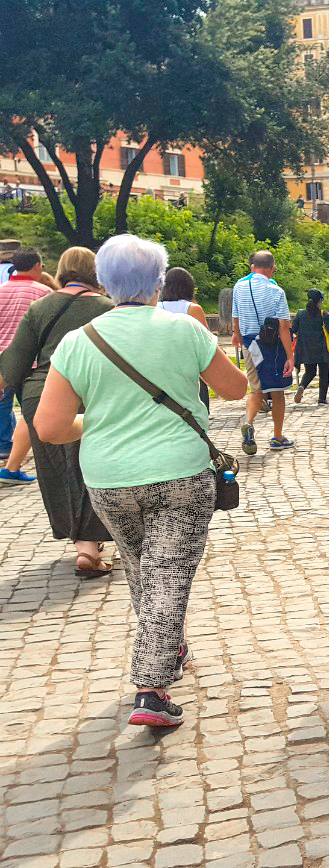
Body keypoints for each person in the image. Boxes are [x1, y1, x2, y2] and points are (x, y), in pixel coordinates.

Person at [36, 234, 247, 727]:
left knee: (142, 570)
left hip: (109, 478)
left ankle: (169, 648)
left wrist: (100, 422)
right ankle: (151, 690)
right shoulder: (185, 331)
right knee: (168, 574)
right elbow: (235, 389)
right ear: (158, 282)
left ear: (104, 283)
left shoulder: (78, 342)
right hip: (179, 472)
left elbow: (49, 427)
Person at [0, 247, 117, 575]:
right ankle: (92, 545)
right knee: (96, 466)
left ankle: (83, 546)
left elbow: (14, 361)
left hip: (44, 394)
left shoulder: (41, 306)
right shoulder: (107, 308)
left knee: (59, 471)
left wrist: (22, 393)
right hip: (93, 392)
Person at [230, 252, 295, 453]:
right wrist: (290, 356)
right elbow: (283, 327)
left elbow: (236, 319)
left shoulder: (239, 287)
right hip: (272, 347)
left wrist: (239, 339)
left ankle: (249, 422)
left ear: (252, 267)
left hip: (250, 345)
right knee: (277, 392)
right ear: (272, 267)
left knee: (256, 389)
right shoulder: (276, 291)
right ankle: (277, 436)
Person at [0, 248, 53, 484]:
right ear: (38, 266)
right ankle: (45, 456)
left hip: (1, 358)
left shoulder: (0, 292)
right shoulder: (44, 293)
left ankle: (4, 447)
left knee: (3, 405)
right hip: (31, 361)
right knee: (34, 409)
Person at [158, 267, 217, 408]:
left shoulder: (155, 306)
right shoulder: (192, 308)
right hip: (188, 365)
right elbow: (206, 340)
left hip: (162, 364)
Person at [292, 289, 329, 405]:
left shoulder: (300, 314)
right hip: (322, 349)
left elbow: (294, 329)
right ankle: (322, 399)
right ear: (319, 302)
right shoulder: (323, 314)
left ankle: (302, 386)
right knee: (324, 374)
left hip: (306, 348)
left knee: (310, 372)